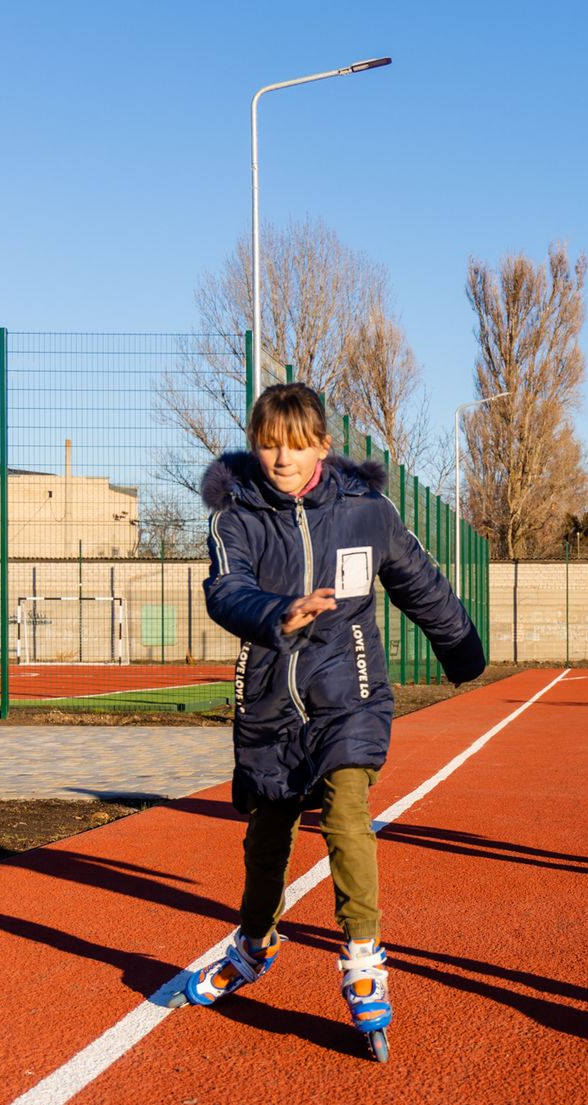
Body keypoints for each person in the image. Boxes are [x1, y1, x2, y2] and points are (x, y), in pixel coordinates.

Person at [186, 382, 484, 1059]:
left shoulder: (365, 512)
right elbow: (224, 589)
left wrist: (460, 646)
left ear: (321, 445)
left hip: (347, 694)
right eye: (267, 445)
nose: (280, 459)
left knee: (347, 814)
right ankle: (255, 943)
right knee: (267, 843)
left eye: (294, 446)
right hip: (267, 702)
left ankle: (361, 958)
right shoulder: (235, 516)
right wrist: (276, 612)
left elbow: (417, 579)